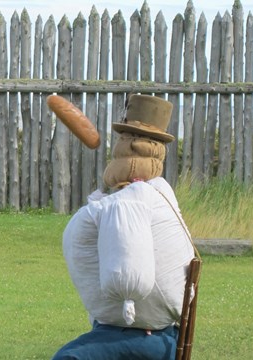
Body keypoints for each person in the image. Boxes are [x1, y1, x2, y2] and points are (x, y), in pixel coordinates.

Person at [53, 94, 196, 360]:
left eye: (122, 140)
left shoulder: (132, 202)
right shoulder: (161, 195)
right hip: (163, 334)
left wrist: (127, 300)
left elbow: (130, 279)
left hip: (141, 335)